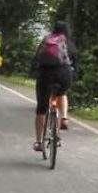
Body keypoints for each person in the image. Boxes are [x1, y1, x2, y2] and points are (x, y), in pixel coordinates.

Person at [31, 21, 77, 152]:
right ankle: (63, 117)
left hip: (45, 75)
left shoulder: (46, 41)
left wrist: (35, 69)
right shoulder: (69, 43)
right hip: (64, 75)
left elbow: (35, 60)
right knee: (62, 93)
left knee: (41, 108)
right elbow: (76, 63)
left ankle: (39, 142)